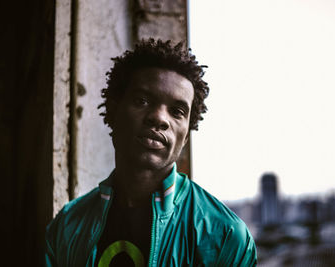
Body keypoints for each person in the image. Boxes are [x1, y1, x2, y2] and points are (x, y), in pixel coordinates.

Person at [45, 39, 257, 266]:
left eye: (177, 111)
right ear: (113, 110)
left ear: (185, 136)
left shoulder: (225, 236)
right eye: (142, 100)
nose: (159, 118)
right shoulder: (68, 225)